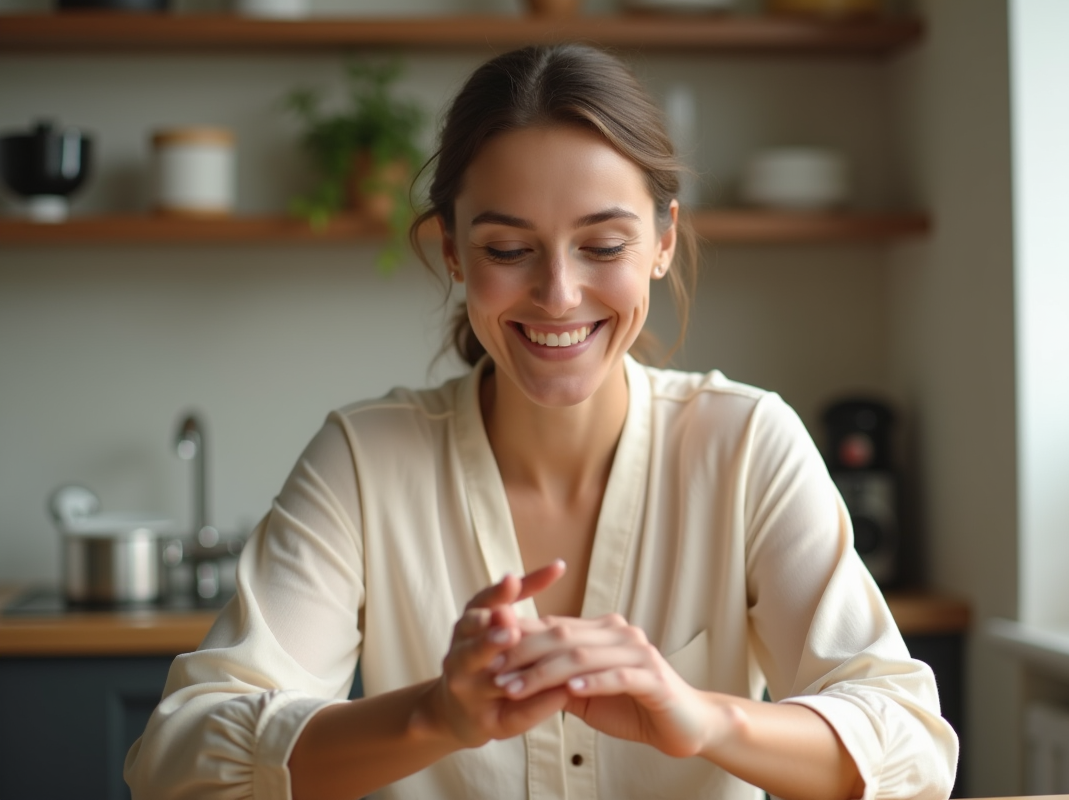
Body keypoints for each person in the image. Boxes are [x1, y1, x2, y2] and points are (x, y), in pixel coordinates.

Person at [125, 43, 958, 800]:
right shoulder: (364, 460)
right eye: (506, 249)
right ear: (452, 252)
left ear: (663, 242)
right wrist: (435, 716)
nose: (558, 295)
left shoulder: (746, 445)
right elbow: (178, 760)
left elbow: (913, 746)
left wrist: (700, 720)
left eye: (602, 246)